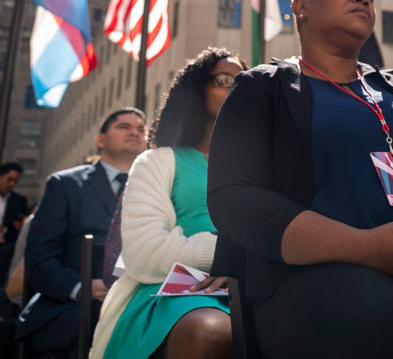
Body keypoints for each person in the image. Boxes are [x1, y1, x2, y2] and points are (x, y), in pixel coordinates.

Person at [208, 0, 393, 358]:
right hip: (313, 277)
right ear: (301, 6)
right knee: (391, 324)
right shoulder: (262, 88)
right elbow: (232, 198)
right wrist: (364, 247)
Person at [90, 48, 246, 359]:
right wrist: (227, 254)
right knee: (212, 333)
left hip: (257, 286)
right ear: (195, 91)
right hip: (175, 291)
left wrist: (246, 265)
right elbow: (145, 253)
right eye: (224, 80)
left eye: (244, 81)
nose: (236, 88)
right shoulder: (158, 161)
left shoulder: (263, 166)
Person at [19, 108, 147, 356]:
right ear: (100, 139)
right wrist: (81, 286)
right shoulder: (64, 184)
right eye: (124, 127)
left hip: (139, 301)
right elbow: (39, 259)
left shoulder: (158, 189)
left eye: (141, 129)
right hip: (72, 305)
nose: (135, 133)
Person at [0, 162, 29, 279]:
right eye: (9, 179)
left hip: (6, 250)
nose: (12, 184)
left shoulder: (19, 201)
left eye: (15, 181)